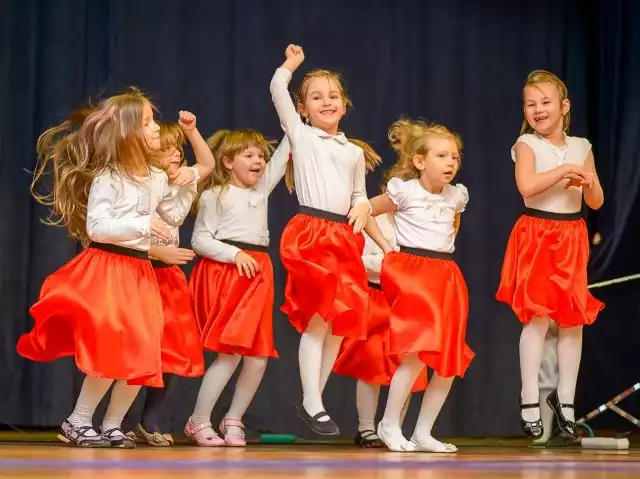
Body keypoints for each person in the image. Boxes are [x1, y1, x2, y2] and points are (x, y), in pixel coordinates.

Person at [17, 90, 199, 447]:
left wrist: (188, 187)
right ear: (128, 131)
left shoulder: (156, 177)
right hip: (109, 269)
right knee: (113, 349)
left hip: (141, 271)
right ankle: (78, 420)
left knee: (144, 351)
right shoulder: (109, 176)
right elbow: (97, 228)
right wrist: (143, 223)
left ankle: (113, 424)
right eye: (146, 122)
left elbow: (172, 217)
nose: (155, 129)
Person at [495, 70, 604, 440]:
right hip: (538, 233)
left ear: (564, 106)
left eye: (545, 102)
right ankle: (529, 398)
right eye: (530, 104)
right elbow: (527, 186)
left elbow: (596, 200)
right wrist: (563, 172)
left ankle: (567, 401)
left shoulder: (583, 146)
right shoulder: (527, 145)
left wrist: (585, 182)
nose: (538, 109)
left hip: (572, 234)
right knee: (537, 316)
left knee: (573, 319)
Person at [365, 119, 474, 452]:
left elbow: (451, 229)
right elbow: (365, 210)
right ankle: (388, 423)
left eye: (454, 157)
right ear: (420, 161)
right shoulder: (404, 190)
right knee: (416, 352)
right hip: (414, 273)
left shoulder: (457, 195)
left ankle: (423, 431)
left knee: (446, 357)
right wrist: (386, 246)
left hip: (447, 274)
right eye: (442, 156)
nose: (451, 163)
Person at [185, 131, 290, 447]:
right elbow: (200, 240)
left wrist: (298, 118)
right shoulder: (214, 195)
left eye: (260, 155)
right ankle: (198, 420)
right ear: (228, 162)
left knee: (258, 357)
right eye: (248, 155)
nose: (258, 160)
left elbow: (286, 149)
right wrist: (235, 254)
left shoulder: (261, 191)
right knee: (229, 354)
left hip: (258, 274)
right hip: (230, 274)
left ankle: (233, 418)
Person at [126, 113, 214, 446]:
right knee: (135, 348)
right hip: (141, 269)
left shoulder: (186, 178)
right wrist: (154, 253)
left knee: (172, 351)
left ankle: (149, 419)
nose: (175, 154)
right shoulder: (141, 182)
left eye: (177, 148)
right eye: (166, 149)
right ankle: (111, 420)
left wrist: (191, 131)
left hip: (170, 276)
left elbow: (206, 162)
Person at [333, 212, 427, 447]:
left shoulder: (421, 219)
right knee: (371, 366)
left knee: (407, 368)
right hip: (376, 298)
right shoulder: (374, 220)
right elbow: (358, 261)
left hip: (409, 301)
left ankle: (393, 427)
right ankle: (365, 429)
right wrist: (390, 262)